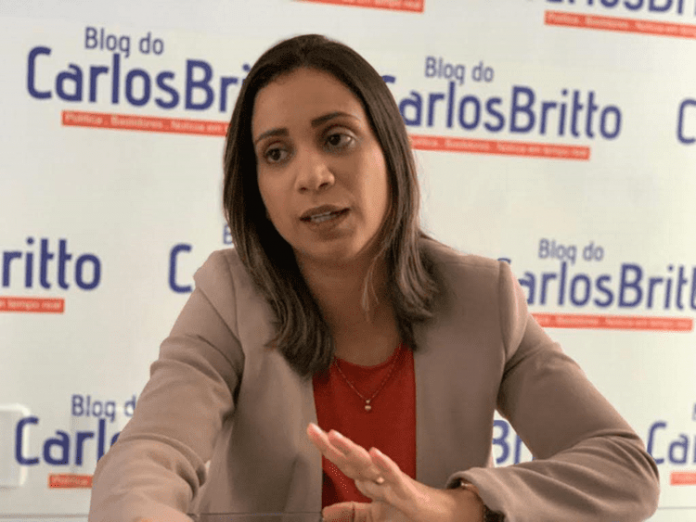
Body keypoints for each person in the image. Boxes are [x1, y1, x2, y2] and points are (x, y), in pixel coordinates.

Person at [88, 34, 660, 522]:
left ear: (390, 151)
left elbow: (624, 467)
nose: (311, 175)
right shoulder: (229, 295)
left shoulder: (484, 299)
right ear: (255, 188)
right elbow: (147, 457)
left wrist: (455, 507)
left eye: (336, 138)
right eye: (276, 153)